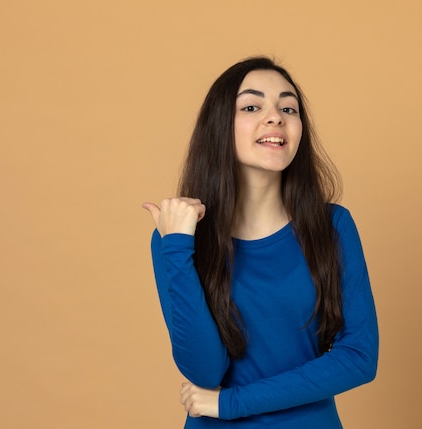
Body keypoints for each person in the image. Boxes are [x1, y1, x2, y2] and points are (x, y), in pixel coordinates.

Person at [142, 57, 378, 428]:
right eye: (252, 106)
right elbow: (205, 371)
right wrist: (176, 247)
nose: (276, 117)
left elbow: (359, 357)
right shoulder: (176, 237)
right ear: (220, 127)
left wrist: (233, 403)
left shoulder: (332, 226)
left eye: (288, 108)